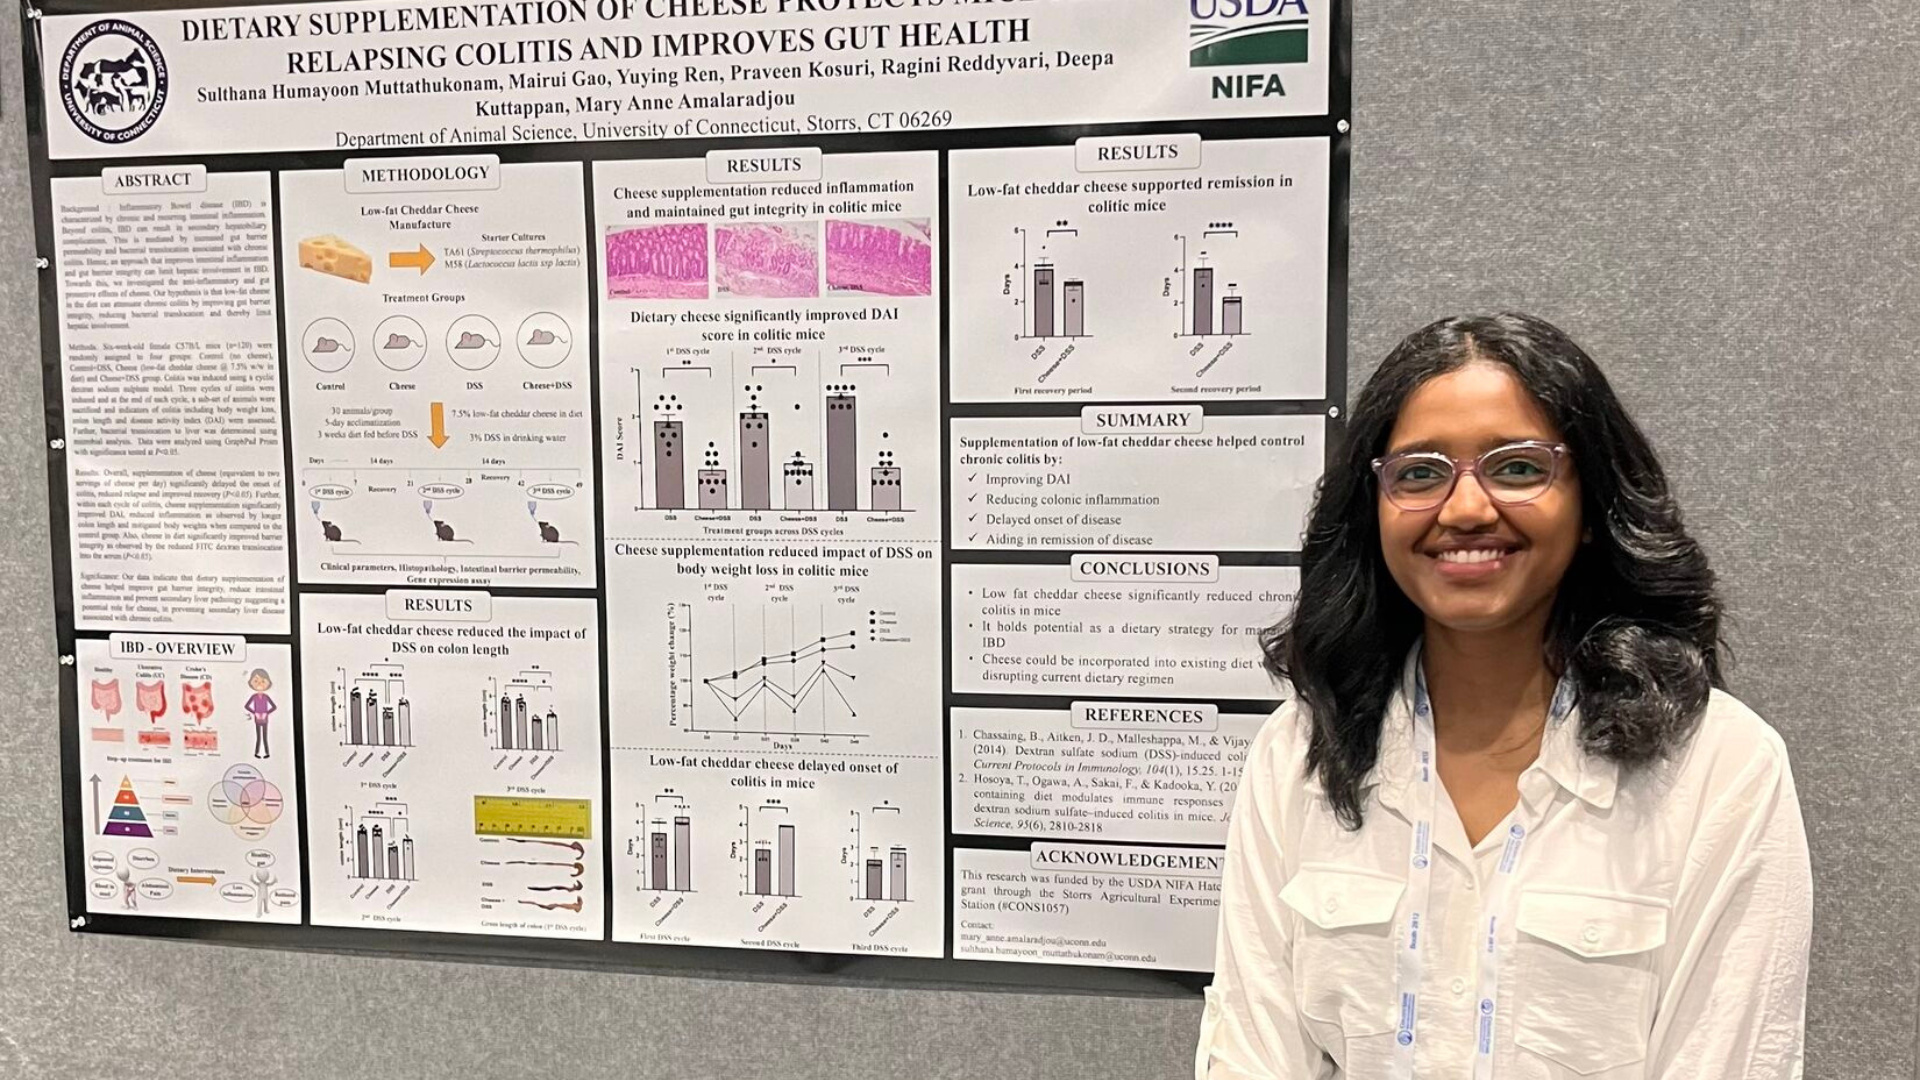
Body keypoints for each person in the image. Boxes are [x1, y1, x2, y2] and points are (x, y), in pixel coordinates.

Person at [1196, 313, 1810, 1079]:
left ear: (1592, 508)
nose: (1464, 509)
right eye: (1419, 473)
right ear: (1374, 509)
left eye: (1517, 468)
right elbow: (1255, 1053)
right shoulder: (1300, 754)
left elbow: (1730, 1059)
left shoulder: (1719, 768)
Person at [244, 668, 277, 760]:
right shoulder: (253, 697)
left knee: (265, 737)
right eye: (256, 681)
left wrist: (266, 713)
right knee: (259, 737)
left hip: (265, 719)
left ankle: (267, 753)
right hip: (257, 719)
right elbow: (247, 706)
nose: (259, 684)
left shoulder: (266, 697)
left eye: (263, 681)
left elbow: (273, 707)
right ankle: (257, 753)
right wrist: (255, 713)